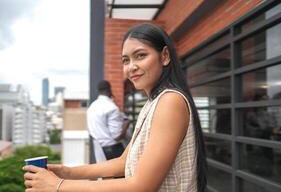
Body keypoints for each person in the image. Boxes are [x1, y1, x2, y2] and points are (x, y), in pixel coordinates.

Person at [23, 23, 207, 192]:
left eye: (140, 55)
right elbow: (123, 162)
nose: (131, 67)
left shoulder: (170, 101)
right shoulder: (153, 102)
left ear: (164, 56)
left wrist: (59, 185)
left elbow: (141, 186)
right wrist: (66, 172)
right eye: (125, 60)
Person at [87, 80, 131, 162]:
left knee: (104, 174)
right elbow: (117, 136)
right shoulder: (112, 108)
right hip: (113, 150)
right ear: (109, 90)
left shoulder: (92, 107)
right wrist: (126, 124)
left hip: (99, 149)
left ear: (98, 91)